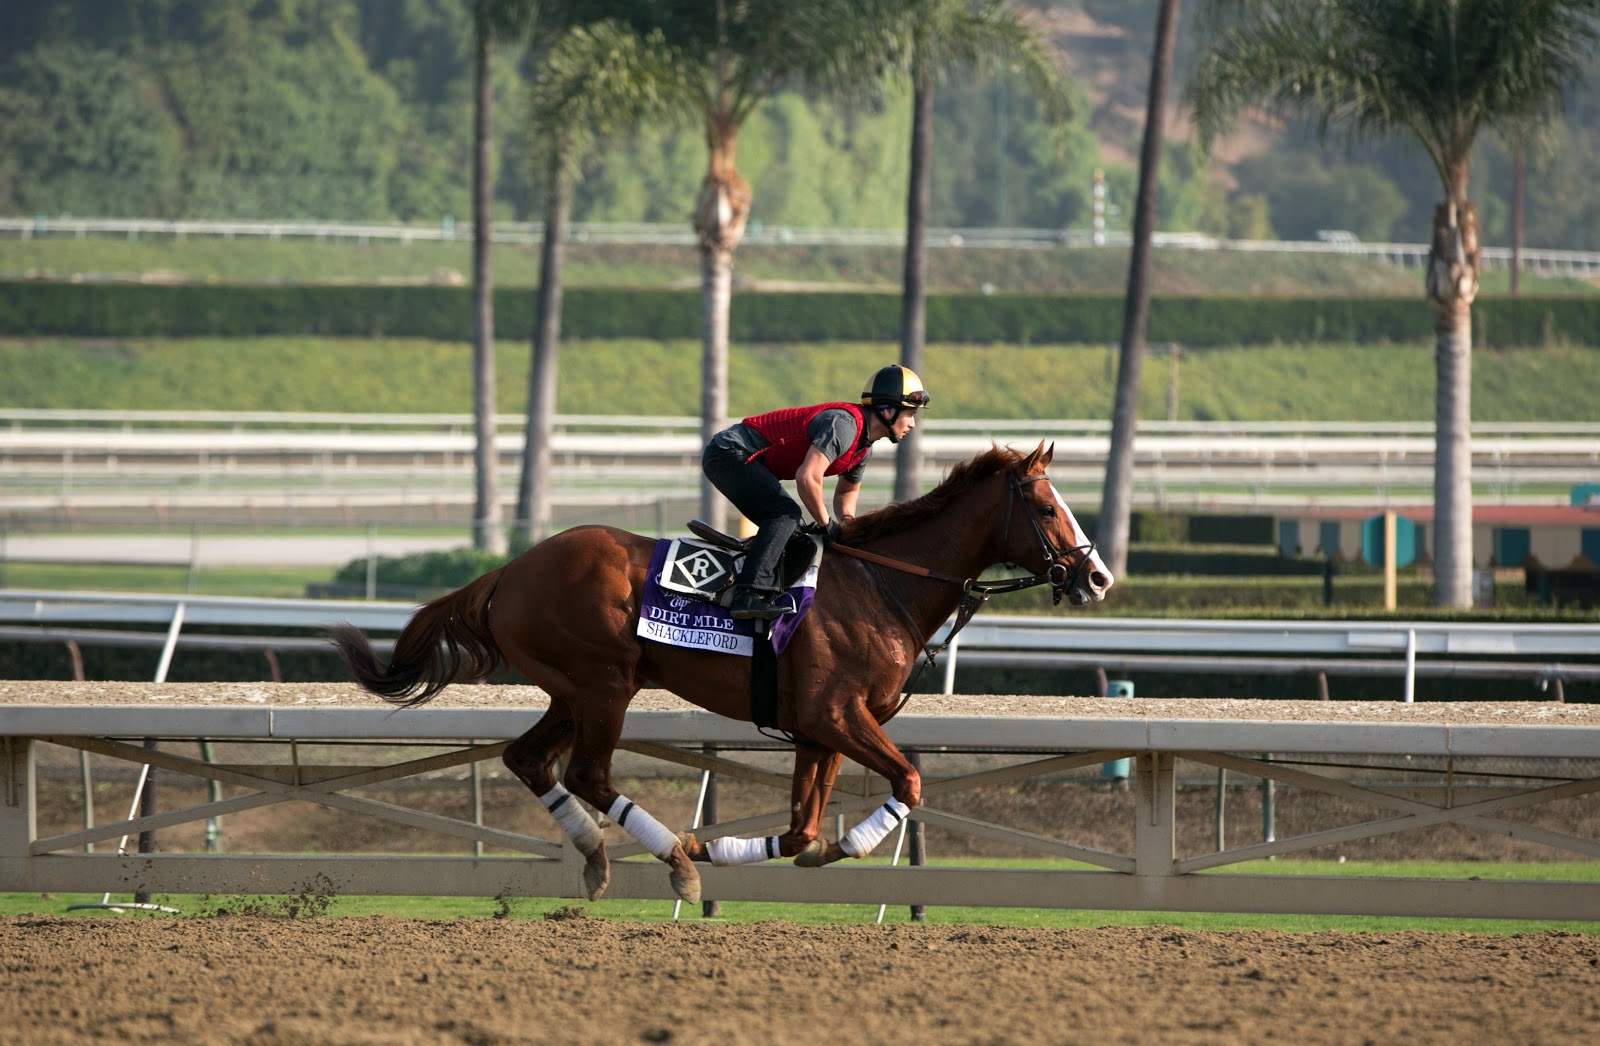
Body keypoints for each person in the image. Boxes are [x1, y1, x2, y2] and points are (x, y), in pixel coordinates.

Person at [701, 365, 931, 620]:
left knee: (796, 535)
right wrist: (825, 525)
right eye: (909, 414)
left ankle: (764, 592)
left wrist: (847, 525)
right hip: (728, 453)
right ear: (887, 410)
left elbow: (846, 493)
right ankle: (748, 595)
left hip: (741, 458)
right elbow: (807, 477)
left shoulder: (863, 449)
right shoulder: (845, 425)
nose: (912, 423)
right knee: (784, 514)